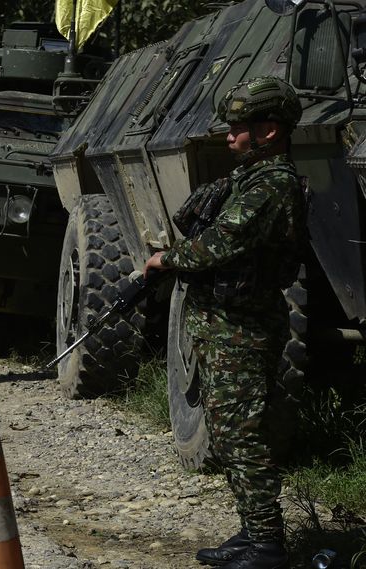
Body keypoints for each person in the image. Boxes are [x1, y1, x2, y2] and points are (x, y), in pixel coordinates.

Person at [144, 76, 306, 569]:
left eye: (239, 127)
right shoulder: (248, 179)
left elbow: (222, 242)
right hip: (225, 323)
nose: (229, 136)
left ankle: (268, 546)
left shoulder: (274, 184)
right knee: (227, 430)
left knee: (242, 435)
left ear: (270, 130)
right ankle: (252, 531)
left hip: (245, 326)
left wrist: (165, 261)